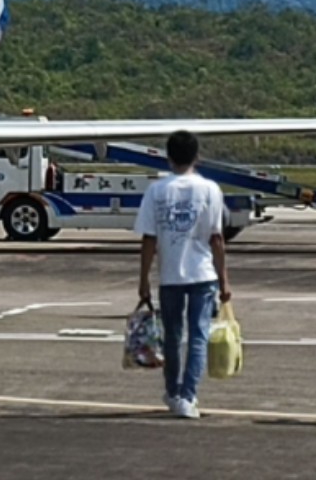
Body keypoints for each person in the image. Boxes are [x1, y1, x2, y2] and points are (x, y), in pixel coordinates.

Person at [135, 130, 230, 419]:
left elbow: (149, 239)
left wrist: (143, 280)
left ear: (168, 157)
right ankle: (188, 395)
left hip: (171, 274)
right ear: (196, 157)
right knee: (198, 335)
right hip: (202, 273)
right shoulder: (210, 190)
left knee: (173, 337)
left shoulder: (157, 191)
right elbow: (217, 238)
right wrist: (224, 278)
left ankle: (174, 391)